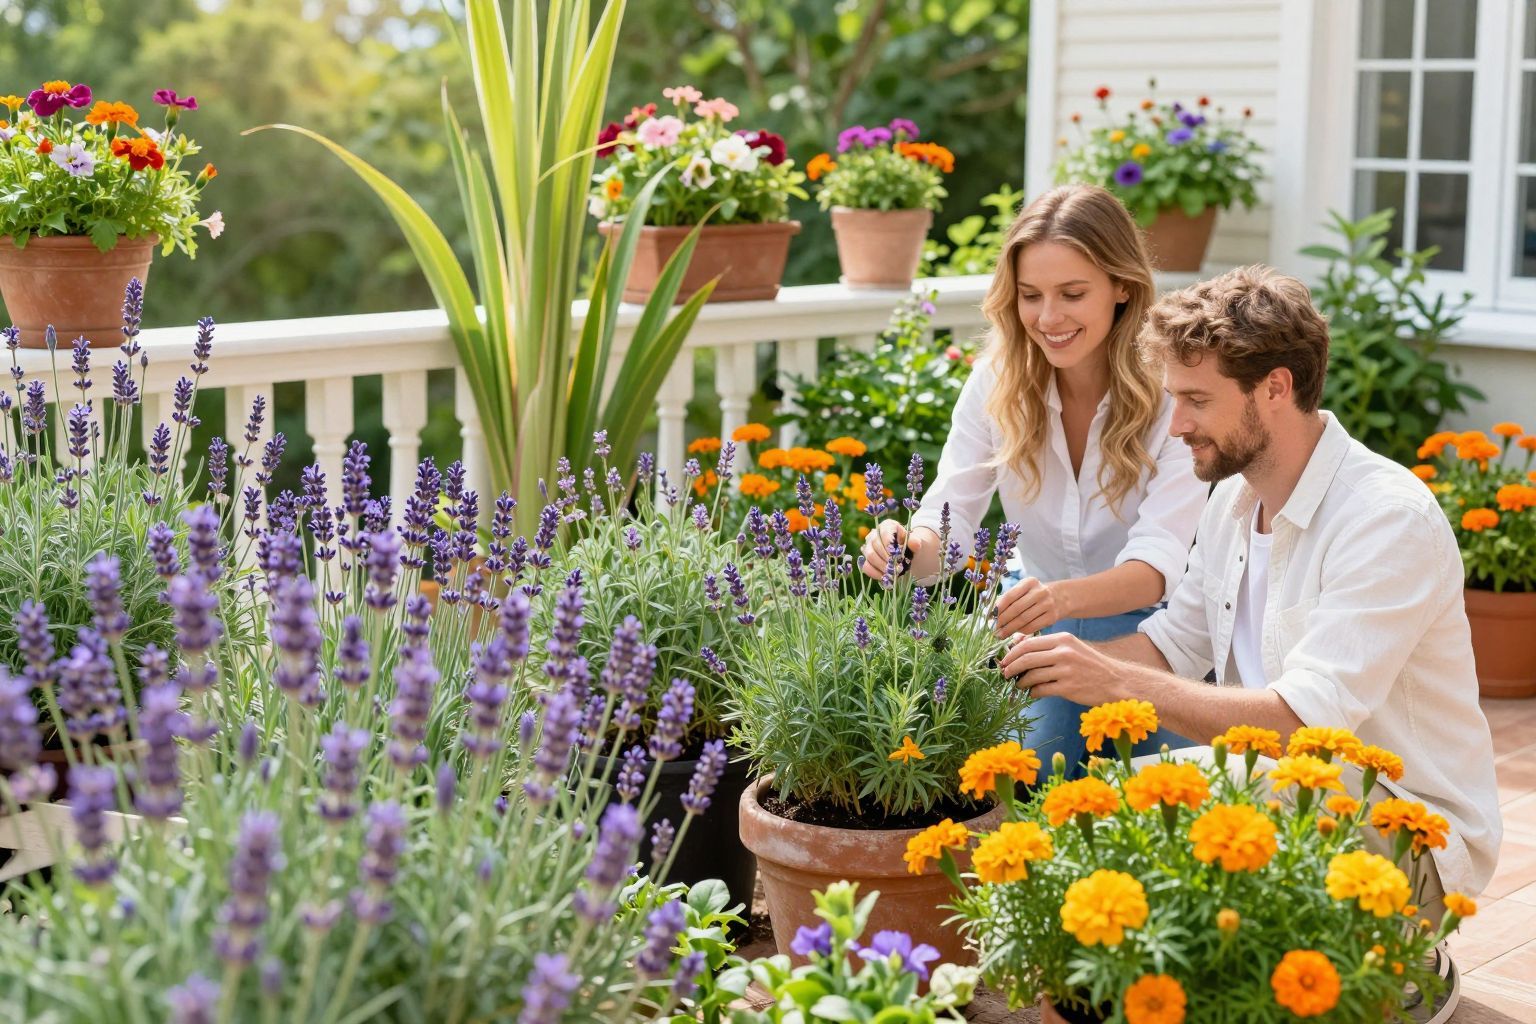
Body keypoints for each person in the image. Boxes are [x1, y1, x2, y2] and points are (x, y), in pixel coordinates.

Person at [998, 265, 1503, 920]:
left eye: (1198, 401)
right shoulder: (1234, 498)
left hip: (1405, 835)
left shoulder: (1384, 519)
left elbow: (1303, 725)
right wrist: (1041, 669)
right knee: (1106, 818)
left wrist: (1114, 683)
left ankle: (1379, 971)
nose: (1175, 424)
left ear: (1275, 388)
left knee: (1134, 812)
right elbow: (1171, 645)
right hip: (1278, 793)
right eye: (1173, 397)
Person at [860, 184, 1209, 771]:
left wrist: (1055, 601)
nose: (1048, 318)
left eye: (1072, 294)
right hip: (1032, 625)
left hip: (1152, 632)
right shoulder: (997, 380)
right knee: (982, 767)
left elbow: (1156, 568)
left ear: (1122, 287)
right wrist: (903, 547)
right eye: (1030, 295)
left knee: (1123, 783)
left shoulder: (1172, 390)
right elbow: (950, 528)